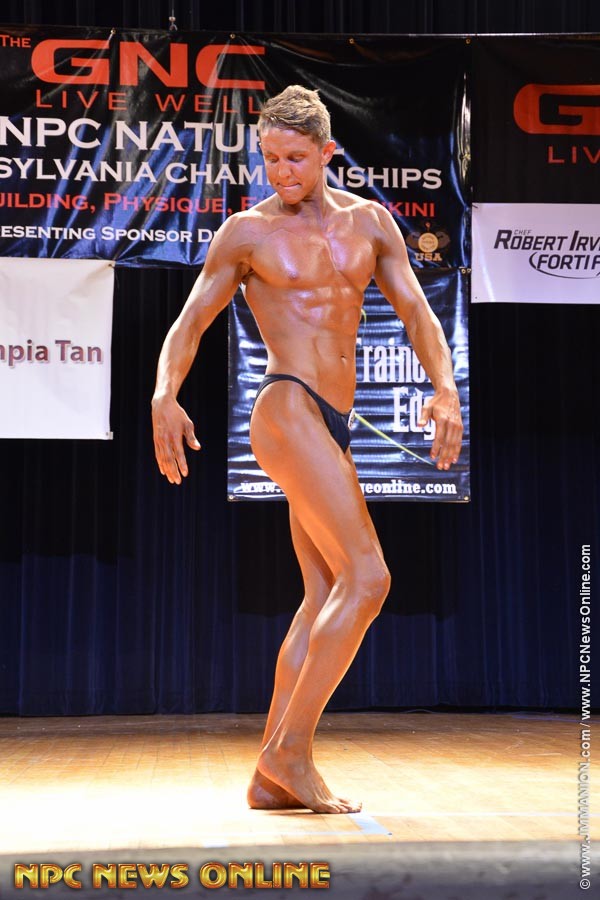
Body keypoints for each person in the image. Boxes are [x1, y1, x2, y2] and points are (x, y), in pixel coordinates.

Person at [151, 85, 463, 814]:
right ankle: (290, 751)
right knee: (370, 578)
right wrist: (164, 394)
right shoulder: (246, 234)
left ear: (326, 152)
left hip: (334, 420)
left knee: (324, 594)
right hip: (287, 405)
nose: (280, 172)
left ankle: (270, 776)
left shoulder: (371, 223)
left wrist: (445, 388)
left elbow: (417, 311)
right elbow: (189, 324)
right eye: (269, 158)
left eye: (294, 158)